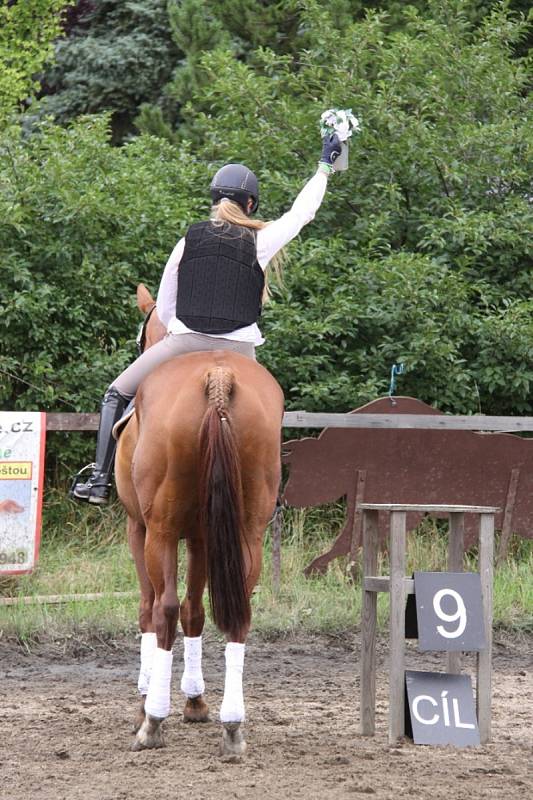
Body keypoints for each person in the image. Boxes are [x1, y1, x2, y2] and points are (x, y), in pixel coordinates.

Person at [71, 133, 344, 504]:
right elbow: (302, 213)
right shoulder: (260, 241)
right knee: (267, 405)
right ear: (250, 204)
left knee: (116, 393)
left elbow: (165, 308)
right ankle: (269, 489)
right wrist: (325, 166)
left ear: (214, 201)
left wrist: (181, 333)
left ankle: (99, 481)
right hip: (241, 349)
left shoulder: (187, 242)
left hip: (184, 342)